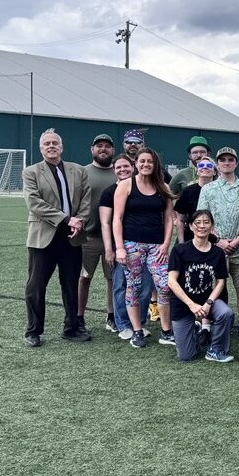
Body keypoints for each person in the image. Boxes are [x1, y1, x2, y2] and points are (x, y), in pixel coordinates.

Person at [22, 128, 92, 347]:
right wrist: (65, 219)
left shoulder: (78, 171)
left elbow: (86, 200)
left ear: (61, 147)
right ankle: (33, 331)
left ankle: (72, 328)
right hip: (43, 236)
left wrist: (78, 220)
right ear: (41, 148)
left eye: (55, 143)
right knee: (36, 286)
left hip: (72, 236)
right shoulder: (31, 172)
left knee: (71, 284)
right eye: (46, 144)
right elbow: (34, 203)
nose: (51, 146)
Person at [113, 147, 177, 348]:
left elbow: (168, 218)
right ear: (136, 164)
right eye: (142, 161)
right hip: (132, 244)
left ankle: (166, 331)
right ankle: (137, 331)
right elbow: (117, 218)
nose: (146, 165)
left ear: (155, 164)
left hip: (157, 246)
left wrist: (166, 243)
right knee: (134, 287)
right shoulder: (126, 185)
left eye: (150, 161)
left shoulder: (163, 187)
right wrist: (119, 247)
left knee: (165, 286)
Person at [196, 147, 239, 340]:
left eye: (231, 159)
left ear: (236, 163)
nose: (227, 163)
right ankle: (206, 325)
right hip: (214, 246)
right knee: (210, 286)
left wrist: (238, 240)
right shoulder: (208, 188)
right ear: (217, 164)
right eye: (222, 160)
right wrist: (218, 241)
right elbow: (202, 218)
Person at [166, 209, 235, 363]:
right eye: (197, 223)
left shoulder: (218, 253)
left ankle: (216, 350)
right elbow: (171, 281)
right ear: (190, 226)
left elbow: (221, 282)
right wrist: (191, 305)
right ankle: (195, 331)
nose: (202, 226)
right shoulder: (180, 250)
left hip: (207, 302)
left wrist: (209, 303)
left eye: (206, 222)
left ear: (212, 227)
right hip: (183, 304)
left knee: (225, 313)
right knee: (186, 356)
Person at [97, 155, 152, 340]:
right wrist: (110, 249)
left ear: (133, 167)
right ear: (114, 170)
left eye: (126, 166)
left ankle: (140, 322)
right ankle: (123, 324)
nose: (123, 170)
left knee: (144, 285)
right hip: (121, 246)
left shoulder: (144, 187)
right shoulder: (109, 192)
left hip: (143, 245)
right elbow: (106, 222)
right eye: (118, 167)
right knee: (121, 284)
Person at [78, 133, 118, 333]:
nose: (103, 149)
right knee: (84, 277)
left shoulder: (120, 172)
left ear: (113, 150)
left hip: (113, 238)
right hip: (89, 237)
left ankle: (112, 316)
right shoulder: (82, 172)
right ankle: (78, 317)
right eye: (99, 146)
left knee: (113, 278)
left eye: (107, 146)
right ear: (92, 150)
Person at [174, 157, 216, 243]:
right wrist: (181, 243)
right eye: (201, 165)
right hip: (191, 240)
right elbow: (180, 220)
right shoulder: (187, 191)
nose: (205, 167)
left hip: (216, 241)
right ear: (197, 171)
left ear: (215, 171)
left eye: (209, 165)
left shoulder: (220, 191)